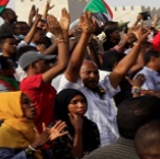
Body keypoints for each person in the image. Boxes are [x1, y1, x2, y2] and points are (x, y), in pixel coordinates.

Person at [58, 17, 147, 147]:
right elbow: (74, 65)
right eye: (87, 73)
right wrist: (86, 35)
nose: (93, 76)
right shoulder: (74, 90)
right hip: (92, 151)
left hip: (114, 148)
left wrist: (138, 44)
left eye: (95, 72)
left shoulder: (102, 88)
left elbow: (121, 69)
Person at [19, 10, 70, 132]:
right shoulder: (28, 83)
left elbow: (63, 61)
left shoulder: (46, 85)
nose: (49, 65)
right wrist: (60, 35)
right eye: (44, 62)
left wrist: (64, 34)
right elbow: (62, 64)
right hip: (38, 140)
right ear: (33, 66)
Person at [49, 89, 100, 159]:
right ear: (64, 105)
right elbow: (73, 158)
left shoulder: (90, 125)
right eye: (75, 102)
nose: (81, 105)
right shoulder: (58, 129)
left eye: (83, 101)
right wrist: (78, 130)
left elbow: (95, 152)